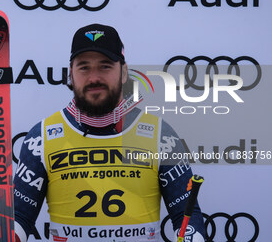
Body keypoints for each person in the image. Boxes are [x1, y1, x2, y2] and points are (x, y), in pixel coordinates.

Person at [13, 24, 205, 242]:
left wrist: (193, 238)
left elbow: (185, 215)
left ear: (123, 72)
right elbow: (20, 216)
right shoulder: (42, 137)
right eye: (84, 67)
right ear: (70, 75)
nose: (94, 77)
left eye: (105, 66)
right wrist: (9, 235)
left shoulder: (161, 135)